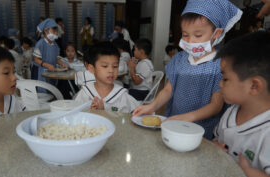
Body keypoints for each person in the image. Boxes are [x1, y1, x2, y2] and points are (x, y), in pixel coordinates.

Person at [133, 0, 243, 140]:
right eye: (185, 35)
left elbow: (216, 105)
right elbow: (168, 89)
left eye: (198, 35)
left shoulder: (220, 65)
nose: (190, 41)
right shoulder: (179, 59)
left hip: (202, 130)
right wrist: (152, 106)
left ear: (217, 33)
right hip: (174, 123)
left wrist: (186, 118)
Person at [212, 32, 270, 177]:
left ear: (254, 86)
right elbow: (217, 139)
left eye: (225, 79)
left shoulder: (267, 132)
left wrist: (247, 172)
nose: (220, 83)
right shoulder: (231, 112)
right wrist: (215, 147)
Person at [75, 41, 139, 113]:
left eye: (115, 66)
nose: (111, 70)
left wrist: (103, 112)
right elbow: (76, 117)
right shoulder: (85, 93)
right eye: (105, 66)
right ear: (92, 69)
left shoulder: (122, 95)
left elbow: (137, 115)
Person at [31, 18, 67, 85]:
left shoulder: (55, 45)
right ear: (45, 30)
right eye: (54, 31)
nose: (56, 33)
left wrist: (62, 64)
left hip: (51, 72)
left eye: (56, 32)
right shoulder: (40, 44)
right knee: (42, 91)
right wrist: (47, 65)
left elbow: (56, 58)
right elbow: (36, 59)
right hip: (40, 72)